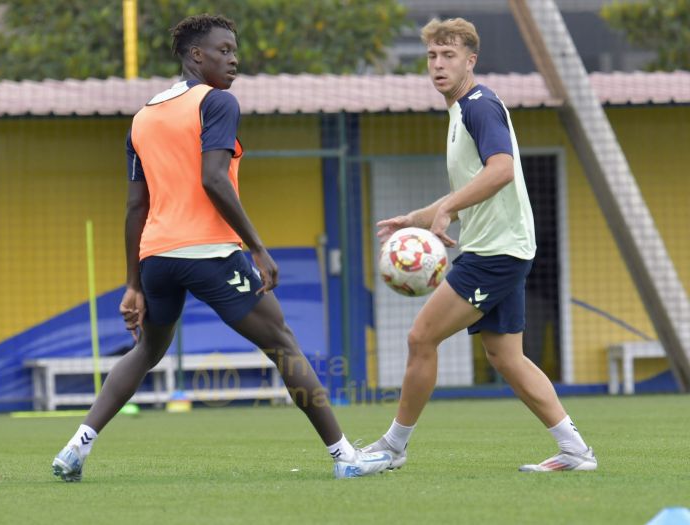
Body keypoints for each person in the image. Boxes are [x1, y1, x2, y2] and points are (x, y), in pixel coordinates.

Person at [51, 13, 391, 481]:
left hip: (157, 258)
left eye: (234, 51)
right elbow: (214, 179)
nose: (234, 60)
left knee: (147, 351)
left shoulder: (143, 117)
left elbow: (135, 206)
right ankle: (345, 457)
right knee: (283, 344)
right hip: (209, 252)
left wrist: (134, 283)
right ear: (196, 55)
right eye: (224, 51)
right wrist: (257, 247)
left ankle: (76, 447)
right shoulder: (217, 102)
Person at [362, 18, 597, 472]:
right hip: (500, 248)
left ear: (471, 61)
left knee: (420, 337)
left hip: (495, 253)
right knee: (506, 356)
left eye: (448, 55)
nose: (438, 64)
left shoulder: (480, 106)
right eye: (432, 55)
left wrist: (449, 207)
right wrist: (415, 219)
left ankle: (393, 446)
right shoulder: (459, 112)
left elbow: (501, 169)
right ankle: (575, 451)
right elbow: (472, 186)